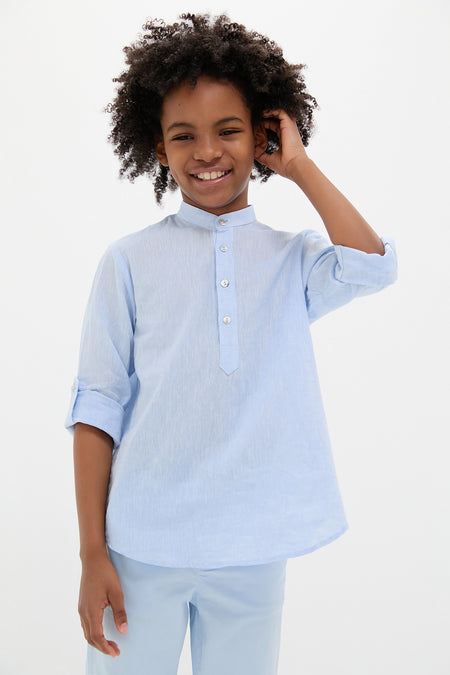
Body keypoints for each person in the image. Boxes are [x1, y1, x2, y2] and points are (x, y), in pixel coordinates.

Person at [64, 12, 398, 675]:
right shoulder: (129, 261)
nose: (206, 152)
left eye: (229, 130)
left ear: (262, 134)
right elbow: (96, 409)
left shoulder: (291, 260)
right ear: (158, 146)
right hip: (141, 547)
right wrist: (92, 554)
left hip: (253, 549)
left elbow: (373, 266)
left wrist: (299, 166)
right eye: (183, 135)